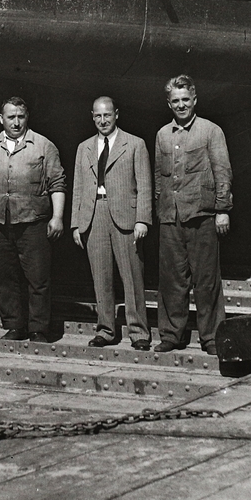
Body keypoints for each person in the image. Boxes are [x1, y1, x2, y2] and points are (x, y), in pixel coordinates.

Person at [0, 97, 67, 342]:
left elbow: (57, 183)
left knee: (38, 278)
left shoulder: (44, 146)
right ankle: (14, 326)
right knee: (3, 277)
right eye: (10, 117)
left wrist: (57, 217)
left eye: (20, 117)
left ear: (27, 117)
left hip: (33, 222)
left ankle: (38, 329)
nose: (16, 122)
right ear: (1, 119)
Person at [153, 76, 231, 355]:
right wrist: (160, 210)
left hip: (202, 215)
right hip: (170, 218)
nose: (181, 105)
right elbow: (158, 178)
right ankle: (172, 334)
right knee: (172, 280)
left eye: (185, 99)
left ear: (194, 100)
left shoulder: (211, 131)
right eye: (176, 101)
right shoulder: (162, 134)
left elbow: (222, 172)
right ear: (169, 104)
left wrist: (222, 210)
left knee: (206, 279)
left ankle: (210, 337)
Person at [70, 97, 152, 350]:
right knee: (101, 276)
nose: (103, 121)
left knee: (132, 276)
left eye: (107, 115)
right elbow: (79, 187)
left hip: (125, 216)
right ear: (92, 117)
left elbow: (145, 185)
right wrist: (76, 223)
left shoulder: (135, 144)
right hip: (94, 214)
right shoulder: (84, 147)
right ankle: (105, 329)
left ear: (116, 114)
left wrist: (142, 219)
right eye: (97, 116)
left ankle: (139, 333)